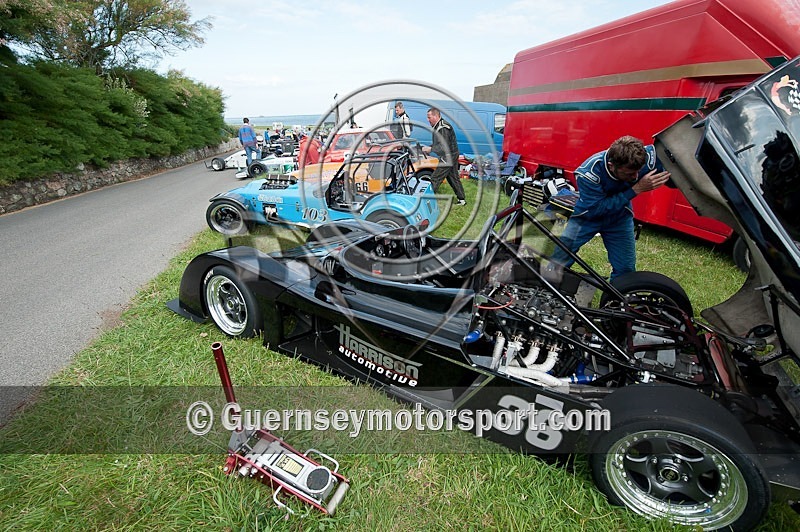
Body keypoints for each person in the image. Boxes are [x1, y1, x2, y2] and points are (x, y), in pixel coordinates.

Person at [549, 135, 670, 280]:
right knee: (560, 257)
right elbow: (597, 209)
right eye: (630, 174)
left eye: (638, 172)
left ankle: (615, 301)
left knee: (626, 269)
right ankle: (550, 288)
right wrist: (636, 189)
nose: (635, 177)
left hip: (619, 218)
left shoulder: (646, 158)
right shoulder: (588, 173)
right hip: (588, 216)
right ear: (612, 166)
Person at [421, 107, 466, 206]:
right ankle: (462, 200)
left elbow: (443, 146)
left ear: (436, 116)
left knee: (435, 178)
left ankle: (425, 202)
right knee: (453, 178)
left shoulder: (443, 128)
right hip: (452, 155)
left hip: (448, 157)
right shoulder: (439, 126)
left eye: (429, 117)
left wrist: (430, 149)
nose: (428, 120)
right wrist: (429, 147)